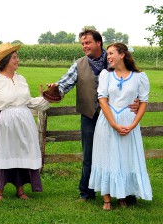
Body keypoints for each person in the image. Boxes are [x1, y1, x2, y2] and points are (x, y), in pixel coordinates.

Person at [44, 29, 139, 201]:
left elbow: (130, 82)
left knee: (119, 152)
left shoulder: (113, 60)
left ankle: (125, 193)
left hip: (115, 115)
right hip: (89, 115)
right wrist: (55, 88)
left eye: (87, 42)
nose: (84, 46)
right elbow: (65, 83)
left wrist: (137, 100)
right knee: (89, 155)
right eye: (82, 44)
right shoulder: (79, 64)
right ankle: (87, 193)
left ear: (98, 43)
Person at [0, 43, 49, 201]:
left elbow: (28, 101)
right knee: (3, 154)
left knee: (21, 154)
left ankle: (20, 189)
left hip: (23, 124)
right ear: (5, 60)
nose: (18, 60)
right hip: (3, 124)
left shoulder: (21, 79)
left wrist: (49, 97)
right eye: (14, 57)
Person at [88, 43, 152, 210]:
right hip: (108, 122)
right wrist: (114, 124)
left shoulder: (139, 77)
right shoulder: (106, 75)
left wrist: (133, 124)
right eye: (107, 54)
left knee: (125, 158)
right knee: (106, 156)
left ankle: (123, 195)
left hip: (129, 123)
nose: (108, 57)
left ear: (122, 54)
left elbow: (144, 102)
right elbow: (102, 99)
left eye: (111, 53)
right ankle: (107, 199)